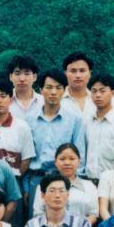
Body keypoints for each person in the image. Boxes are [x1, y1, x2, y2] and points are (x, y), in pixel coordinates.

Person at [24, 69, 85, 213]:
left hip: (64, 179)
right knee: (36, 221)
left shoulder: (74, 119)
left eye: (58, 88)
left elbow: (80, 152)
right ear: (41, 90)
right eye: (49, 87)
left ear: (64, 90)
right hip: (36, 179)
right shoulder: (29, 119)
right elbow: (26, 155)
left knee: (65, 220)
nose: (53, 92)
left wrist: (75, 184)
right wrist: (26, 186)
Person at [32, 142, 99, 225]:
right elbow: (38, 214)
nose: (67, 163)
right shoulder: (44, 185)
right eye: (62, 159)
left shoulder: (89, 186)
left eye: (72, 159)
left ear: (79, 161)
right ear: (55, 162)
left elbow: (93, 214)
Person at [0, 78, 36, 181]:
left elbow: (26, 159)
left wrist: (12, 181)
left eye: (3, 96)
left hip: (13, 182)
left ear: (11, 99)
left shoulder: (22, 126)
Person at [8, 53, 43, 122]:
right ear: (10, 77)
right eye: (17, 73)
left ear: (34, 77)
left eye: (27, 74)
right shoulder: (2, 103)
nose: (22, 79)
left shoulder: (44, 102)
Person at [61, 51, 96, 119]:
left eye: (82, 71)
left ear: (90, 73)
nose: (78, 75)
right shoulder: (56, 100)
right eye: (73, 71)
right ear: (65, 73)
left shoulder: (99, 99)